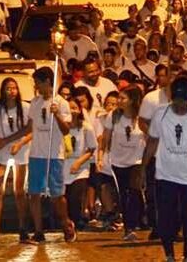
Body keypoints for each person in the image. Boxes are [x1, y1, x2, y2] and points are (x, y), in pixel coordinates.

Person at [137, 74, 187, 262]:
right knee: (166, 216)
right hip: (165, 173)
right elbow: (152, 141)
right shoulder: (161, 113)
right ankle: (169, 254)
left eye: (183, 101)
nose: (179, 106)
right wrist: (144, 168)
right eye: (176, 101)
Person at [20, 66, 76, 243]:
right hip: (36, 154)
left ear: (47, 82)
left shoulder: (61, 103)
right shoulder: (34, 103)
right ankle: (38, 231)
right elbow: (30, 128)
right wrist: (13, 141)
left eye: (38, 82)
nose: (36, 86)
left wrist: (57, 114)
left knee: (56, 195)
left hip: (54, 154)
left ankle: (66, 224)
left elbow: (67, 130)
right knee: (34, 193)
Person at [0, 77, 31, 244]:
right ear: (3, 91)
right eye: (8, 88)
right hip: (2, 154)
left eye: (14, 88)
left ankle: (23, 228)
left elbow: (31, 129)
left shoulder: (25, 107)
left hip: (21, 151)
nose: (11, 91)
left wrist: (18, 143)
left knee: (19, 191)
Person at [99, 85, 145, 241]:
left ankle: (133, 224)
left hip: (136, 160)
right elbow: (105, 137)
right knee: (123, 193)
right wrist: (101, 156)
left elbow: (149, 135)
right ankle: (128, 226)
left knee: (133, 191)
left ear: (132, 100)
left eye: (123, 98)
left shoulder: (141, 117)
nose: (119, 101)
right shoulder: (114, 116)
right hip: (118, 161)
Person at [63, 97, 97, 230]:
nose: (72, 111)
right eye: (69, 108)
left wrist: (79, 162)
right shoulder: (61, 127)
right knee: (65, 198)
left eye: (74, 108)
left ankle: (76, 222)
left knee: (76, 196)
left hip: (80, 166)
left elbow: (92, 148)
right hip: (64, 165)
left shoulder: (86, 128)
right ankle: (67, 224)